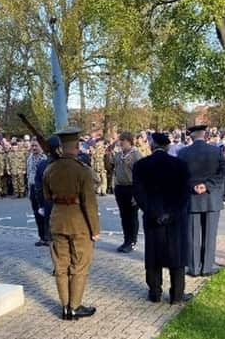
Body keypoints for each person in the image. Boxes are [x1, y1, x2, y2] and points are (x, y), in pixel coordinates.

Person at [43, 128, 100, 320]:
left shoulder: (50, 169)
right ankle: (75, 306)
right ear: (76, 146)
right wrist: (95, 230)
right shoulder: (82, 170)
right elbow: (89, 203)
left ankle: (65, 307)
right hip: (79, 224)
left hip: (57, 222)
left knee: (60, 267)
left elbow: (46, 196)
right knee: (79, 266)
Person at [133, 133, 191, 304]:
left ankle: (154, 293)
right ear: (167, 146)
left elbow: (138, 193)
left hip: (152, 217)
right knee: (177, 255)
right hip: (176, 217)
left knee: (153, 255)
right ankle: (177, 295)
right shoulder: (180, 165)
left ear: (152, 145)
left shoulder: (141, 165)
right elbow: (185, 194)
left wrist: (153, 212)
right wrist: (172, 213)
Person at [178, 125, 225, 277]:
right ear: (205, 135)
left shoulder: (183, 152)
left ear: (191, 136)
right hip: (211, 197)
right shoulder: (216, 151)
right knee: (210, 234)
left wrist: (193, 186)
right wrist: (207, 185)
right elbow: (224, 172)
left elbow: (179, 176)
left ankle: (193, 267)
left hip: (192, 198)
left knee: (192, 234)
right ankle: (206, 267)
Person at [113, 132, 143, 253]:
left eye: (123, 141)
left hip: (132, 188)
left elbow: (140, 175)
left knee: (132, 216)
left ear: (129, 141)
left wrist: (138, 193)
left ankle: (132, 241)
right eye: (120, 140)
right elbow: (112, 168)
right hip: (120, 187)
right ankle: (126, 240)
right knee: (123, 216)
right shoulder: (118, 155)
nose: (120, 143)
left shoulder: (136, 155)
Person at [27, 140, 48, 245]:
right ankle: (42, 237)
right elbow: (28, 174)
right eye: (32, 145)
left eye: (36, 145)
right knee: (37, 214)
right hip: (33, 188)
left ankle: (48, 237)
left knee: (45, 214)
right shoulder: (30, 158)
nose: (34, 148)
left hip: (43, 189)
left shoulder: (45, 159)